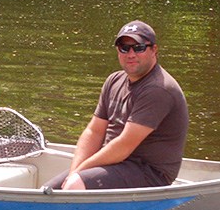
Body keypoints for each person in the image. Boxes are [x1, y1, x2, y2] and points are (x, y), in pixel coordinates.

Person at [47, 20, 188, 190]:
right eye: (124, 48)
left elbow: (124, 146)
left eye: (139, 48)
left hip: (149, 172)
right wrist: (74, 171)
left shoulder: (159, 89)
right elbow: (94, 131)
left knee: (75, 185)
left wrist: (79, 174)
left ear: (154, 50)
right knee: (48, 190)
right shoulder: (114, 81)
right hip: (114, 163)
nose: (131, 54)